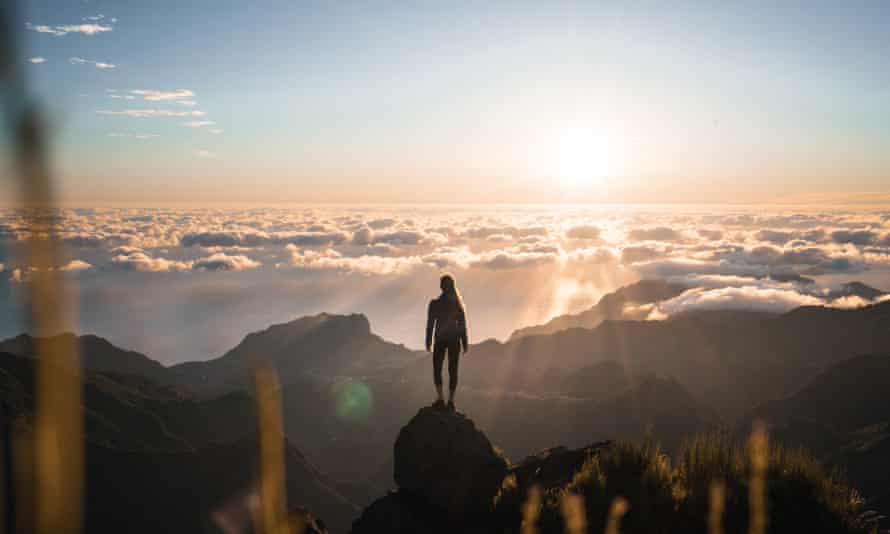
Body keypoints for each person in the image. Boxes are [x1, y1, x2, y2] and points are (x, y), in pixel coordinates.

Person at [425, 273, 469, 410]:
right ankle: (450, 401)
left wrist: (428, 341)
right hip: (453, 339)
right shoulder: (457, 304)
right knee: (452, 370)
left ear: (441, 287)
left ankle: (441, 399)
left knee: (437, 368)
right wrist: (464, 342)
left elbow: (430, 324)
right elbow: (462, 325)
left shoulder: (435, 304)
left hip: (440, 339)